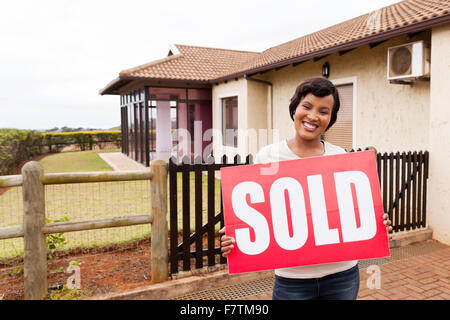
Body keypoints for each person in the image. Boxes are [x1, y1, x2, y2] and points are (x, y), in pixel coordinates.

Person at [219, 77, 393, 300]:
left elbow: (355, 211)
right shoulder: (267, 157)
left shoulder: (340, 157)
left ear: (330, 119)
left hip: (342, 275)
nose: (313, 116)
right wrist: (235, 240)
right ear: (295, 108)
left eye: (323, 111)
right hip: (292, 280)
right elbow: (257, 217)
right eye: (307, 106)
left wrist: (377, 224)